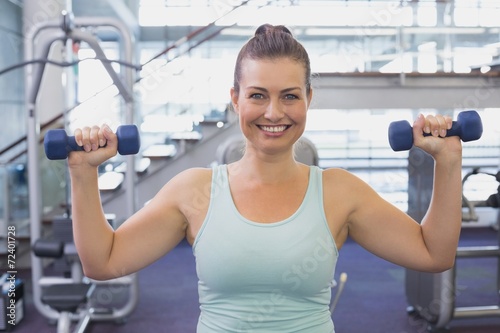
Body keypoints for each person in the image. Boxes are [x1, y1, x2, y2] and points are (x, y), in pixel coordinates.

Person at [68, 24, 463, 333]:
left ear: (309, 98)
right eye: (257, 95)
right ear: (235, 99)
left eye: (289, 96)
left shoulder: (339, 192)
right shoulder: (194, 190)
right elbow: (103, 262)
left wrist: (448, 161)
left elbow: (434, 254)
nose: (274, 113)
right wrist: (83, 172)